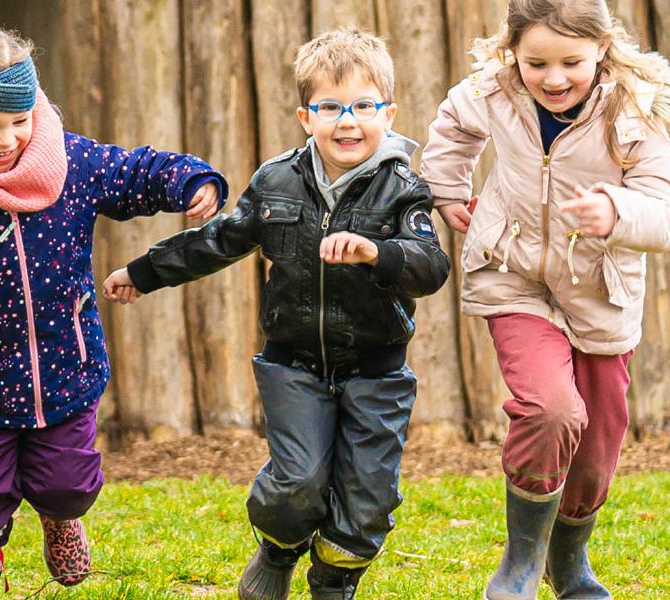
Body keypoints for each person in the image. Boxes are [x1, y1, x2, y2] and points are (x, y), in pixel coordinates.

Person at [0, 24, 226, 600]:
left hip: (66, 366)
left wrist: (188, 179)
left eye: (19, 120)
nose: (7, 139)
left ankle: (62, 520)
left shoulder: (70, 163)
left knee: (68, 485)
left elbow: (132, 171)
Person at [103, 28, 450, 600]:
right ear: (303, 115)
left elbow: (430, 267)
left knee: (369, 498)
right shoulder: (277, 180)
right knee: (297, 481)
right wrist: (144, 271)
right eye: (330, 107)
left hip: (377, 368)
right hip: (293, 364)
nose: (347, 121)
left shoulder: (404, 189)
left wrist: (374, 251)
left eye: (364, 106)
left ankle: (335, 577)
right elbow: (219, 240)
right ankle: (279, 547)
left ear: (389, 113)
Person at [420, 1, 670, 598]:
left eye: (570, 61)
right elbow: (453, 124)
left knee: (597, 442)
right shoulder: (493, 91)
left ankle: (568, 558)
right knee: (552, 410)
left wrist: (616, 211)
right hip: (514, 276)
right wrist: (448, 189)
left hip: (600, 292)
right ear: (512, 52)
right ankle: (521, 561)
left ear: (602, 47)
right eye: (535, 62)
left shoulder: (634, 113)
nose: (553, 79)